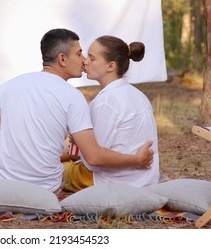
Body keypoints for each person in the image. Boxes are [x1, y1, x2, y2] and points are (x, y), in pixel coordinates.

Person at [0, 29, 153, 207]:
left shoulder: (8, 86)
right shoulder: (74, 98)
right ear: (62, 59)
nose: (84, 60)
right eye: (79, 54)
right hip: (49, 187)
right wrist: (135, 160)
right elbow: (91, 155)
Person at [62, 35, 160, 192]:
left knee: (54, 171)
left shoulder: (107, 102)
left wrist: (77, 145)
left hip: (110, 182)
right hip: (144, 180)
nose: (85, 61)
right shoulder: (138, 95)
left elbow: (93, 159)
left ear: (110, 66)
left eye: (92, 58)